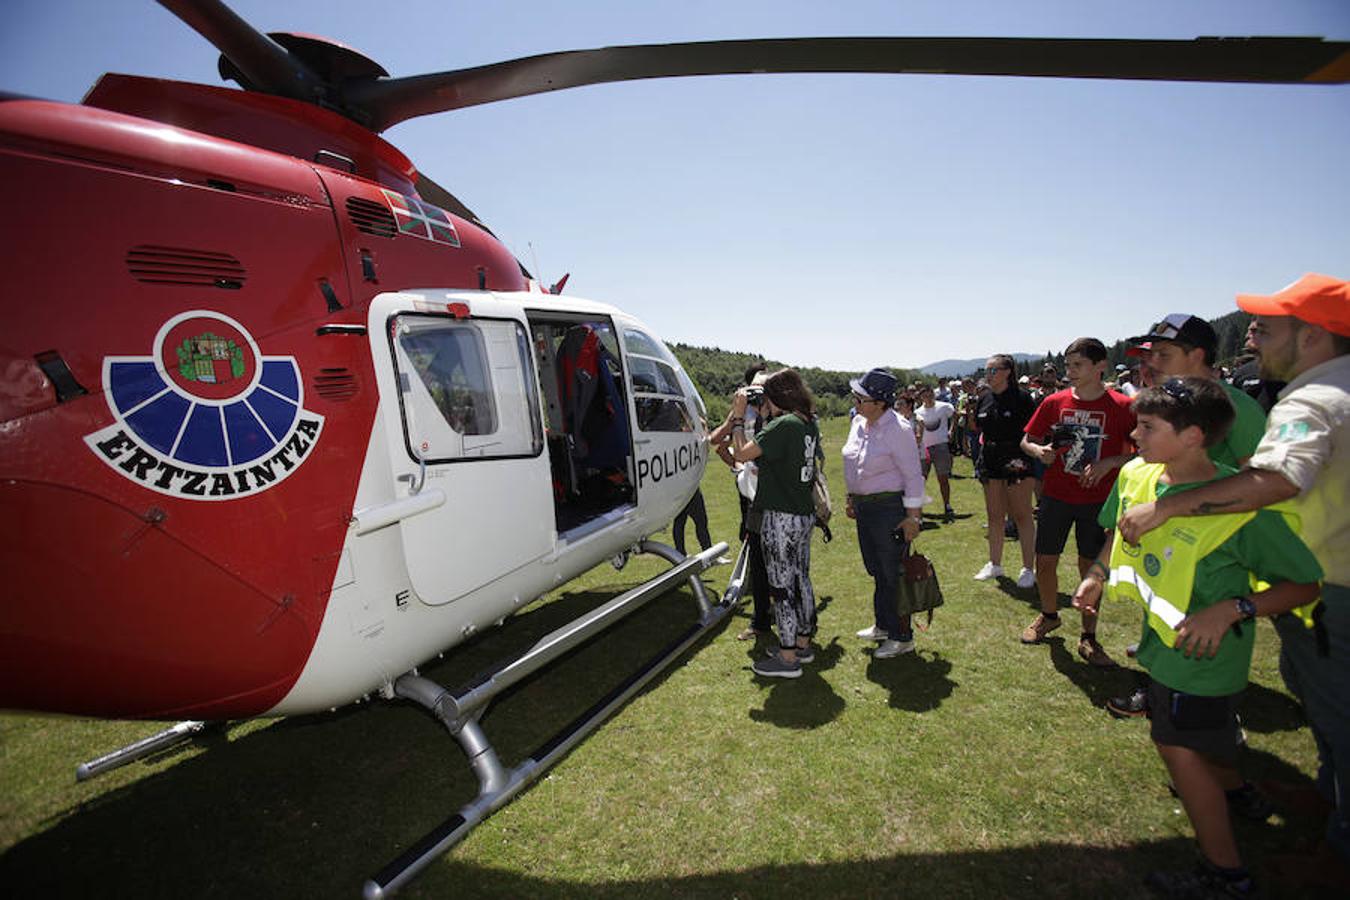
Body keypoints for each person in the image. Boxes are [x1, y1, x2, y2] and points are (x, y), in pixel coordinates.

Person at [1119, 274, 1350, 890]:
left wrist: (1171, 510)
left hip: (1310, 584)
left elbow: (1264, 487)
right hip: (1286, 581)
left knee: (1337, 717)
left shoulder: (1306, 401)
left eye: (1267, 326)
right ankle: (1317, 817)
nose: (1250, 333)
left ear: (1312, 336)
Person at [1074, 376, 1321, 898]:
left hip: (1204, 657)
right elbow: (1112, 535)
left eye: (1147, 427)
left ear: (1193, 437)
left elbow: (1303, 583)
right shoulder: (1140, 478)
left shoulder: (1241, 507)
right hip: (1164, 652)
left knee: (1177, 747)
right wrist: (1097, 574)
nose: (1133, 436)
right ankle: (1239, 793)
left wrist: (1234, 609)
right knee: (1199, 743)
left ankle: (1226, 872)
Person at [1018, 338, 1135, 662]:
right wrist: (1038, 451)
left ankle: (1089, 636)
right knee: (1045, 561)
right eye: (1067, 365)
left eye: (1077, 365)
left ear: (1101, 367)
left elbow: (1146, 453)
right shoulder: (1054, 402)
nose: (1069, 372)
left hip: (1098, 500)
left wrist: (1109, 463)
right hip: (1056, 495)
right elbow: (1027, 439)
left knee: (1090, 567)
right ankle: (1049, 615)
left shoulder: (1123, 407)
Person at [730, 368, 821, 679]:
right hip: (803, 513)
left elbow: (742, 453)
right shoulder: (806, 423)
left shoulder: (783, 425)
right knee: (801, 579)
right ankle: (803, 641)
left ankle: (787, 657)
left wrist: (740, 417)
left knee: (781, 586)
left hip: (780, 517)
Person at [842, 368, 927, 659]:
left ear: (880, 403)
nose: (855, 401)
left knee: (893, 572)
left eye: (861, 398)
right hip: (866, 508)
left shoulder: (898, 429)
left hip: (890, 508)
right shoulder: (858, 423)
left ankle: (902, 636)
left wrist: (913, 517)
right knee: (877, 569)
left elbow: (914, 475)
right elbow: (854, 464)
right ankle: (883, 624)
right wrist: (851, 497)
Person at [1128, 314, 1267, 469]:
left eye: (1163, 355)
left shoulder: (1237, 406)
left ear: (1196, 356)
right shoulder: (1169, 402)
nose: (1152, 362)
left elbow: (1261, 479)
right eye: (1151, 355)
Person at [710, 366, 772, 640]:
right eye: (755, 389)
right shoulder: (742, 411)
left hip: (775, 495)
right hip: (751, 493)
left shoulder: (778, 414)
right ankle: (761, 618)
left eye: (765, 389)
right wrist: (737, 413)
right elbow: (715, 440)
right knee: (758, 556)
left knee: (780, 560)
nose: (759, 395)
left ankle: (788, 617)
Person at [974, 354, 1037, 588]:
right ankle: (995, 563)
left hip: (1017, 460)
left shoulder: (1022, 398)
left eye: (993, 370)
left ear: (1007, 372)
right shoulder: (984, 399)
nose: (988, 375)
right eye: (986, 370)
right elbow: (980, 429)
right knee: (994, 515)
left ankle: (1028, 569)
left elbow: (1032, 432)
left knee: (1021, 515)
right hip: (990, 460)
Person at [916, 384, 957, 522]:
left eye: (930, 394)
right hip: (924, 449)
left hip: (941, 446)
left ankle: (947, 504)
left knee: (943, 478)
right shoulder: (918, 412)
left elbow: (955, 415)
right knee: (921, 480)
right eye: (925, 395)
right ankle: (918, 509)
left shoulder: (944, 406)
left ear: (933, 394)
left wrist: (951, 430)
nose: (928, 397)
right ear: (921, 397)